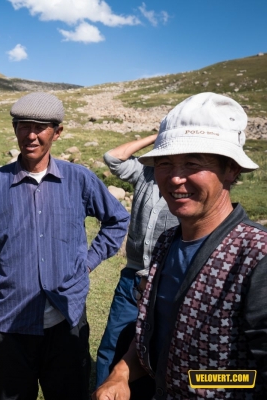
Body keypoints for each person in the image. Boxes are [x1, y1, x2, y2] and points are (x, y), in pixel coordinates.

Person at [93, 92, 267, 400]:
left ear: (231, 170)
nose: (175, 178)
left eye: (193, 163)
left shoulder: (256, 256)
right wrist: (121, 373)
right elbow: (154, 330)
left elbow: (256, 375)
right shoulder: (167, 243)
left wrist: (198, 380)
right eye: (165, 163)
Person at [0, 92, 130, 400]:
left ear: (57, 133)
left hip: (66, 317)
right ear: (14, 129)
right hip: (10, 321)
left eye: (40, 127)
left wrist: (88, 261)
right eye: (23, 125)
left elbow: (117, 220)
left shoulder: (79, 179)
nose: (31, 134)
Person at [96, 134, 179, 387]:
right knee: (112, 344)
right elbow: (113, 157)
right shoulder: (145, 172)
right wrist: (156, 135)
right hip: (133, 277)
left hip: (168, 280)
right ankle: (102, 390)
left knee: (161, 347)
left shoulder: (181, 183)